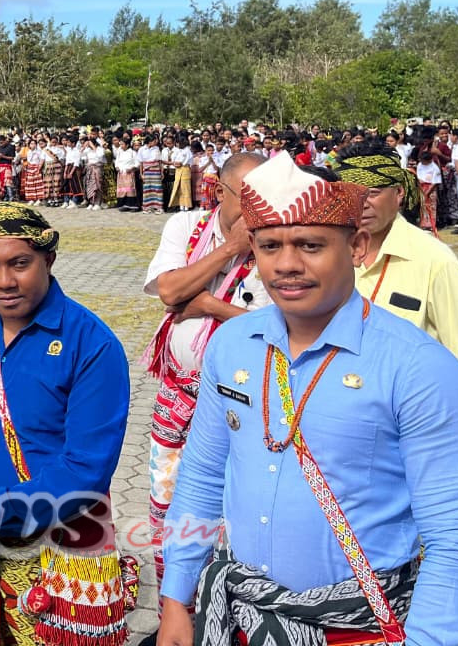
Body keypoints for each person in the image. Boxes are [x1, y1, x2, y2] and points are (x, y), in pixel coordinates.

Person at [158, 154, 458, 646]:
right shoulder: (231, 345)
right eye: (270, 246)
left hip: (361, 628)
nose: (288, 265)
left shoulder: (422, 369)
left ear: (357, 246)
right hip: (237, 619)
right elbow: (203, 477)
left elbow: (457, 543)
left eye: (311, 245)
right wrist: (174, 601)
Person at [0, 202, 132, 646]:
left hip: (56, 546)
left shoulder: (91, 343)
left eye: (19, 264)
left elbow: (86, 470)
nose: (4, 281)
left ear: (49, 259)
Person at [139, 152, 270, 609]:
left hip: (248, 404)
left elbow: (281, 331)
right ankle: (175, 614)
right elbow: (171, 292)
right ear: (219, 191)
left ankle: (228, 619)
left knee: (237, 517)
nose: (258, 209)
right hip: (179, 398)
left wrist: (212, 307)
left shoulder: (278, 241)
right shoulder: (187, 227)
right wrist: (231, 248)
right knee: (170, 514)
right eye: (247, 197)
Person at [334, 140, 458, 429]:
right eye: (352, 193)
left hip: (409, 425)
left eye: (373, 192)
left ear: (398, 193)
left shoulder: (435, 261)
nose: (363, 203)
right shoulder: (328, 256)